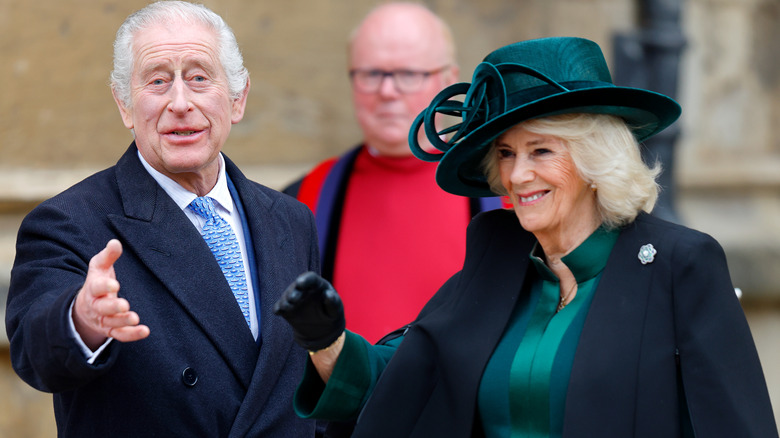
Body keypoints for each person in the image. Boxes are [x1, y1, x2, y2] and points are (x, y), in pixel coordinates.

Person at [274, 37, 779, 437]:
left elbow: (734, 424)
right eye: (506, 154)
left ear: (592, 158)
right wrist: (325, 341)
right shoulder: (498, 255)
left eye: (541, 151)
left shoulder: (680, 264)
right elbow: (403, 378)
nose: (516, 177)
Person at [5, 2, 319, 436]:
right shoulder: (69, 222)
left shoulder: (291, 220)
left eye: (199, 78)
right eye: (157, 81)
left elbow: (309, 382)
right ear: (125, 105)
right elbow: (34, 353)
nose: (180, 103)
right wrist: (82, 320)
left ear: (237, 98)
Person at [283, 2, 502, 344]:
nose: (387, 91)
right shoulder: (304, 197)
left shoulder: (505, 191)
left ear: (449, 80)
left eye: (408, 74)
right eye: (371, 74)